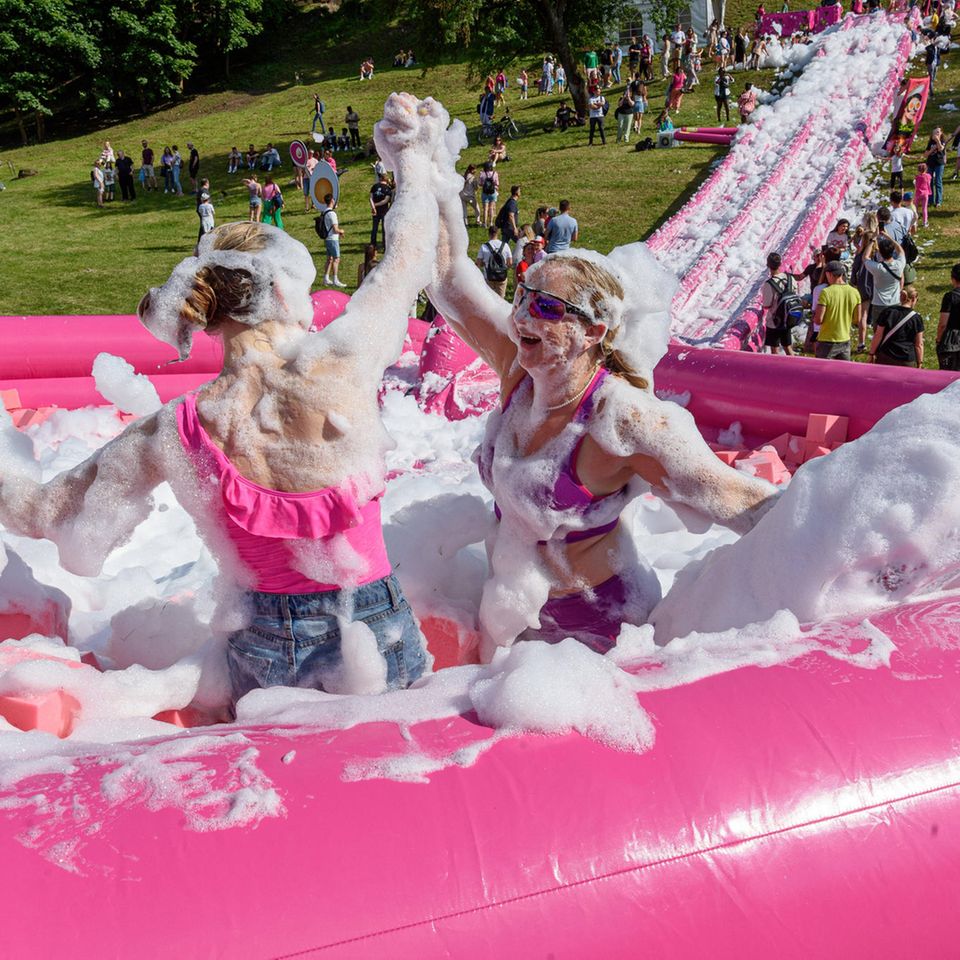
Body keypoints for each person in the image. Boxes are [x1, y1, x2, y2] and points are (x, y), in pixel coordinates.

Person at [0, 99, 450, 707]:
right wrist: (415, 156)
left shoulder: (179, 426)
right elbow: (409, 255)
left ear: (210, 315)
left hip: (257, 644)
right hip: (372, 635)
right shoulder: (345, 363)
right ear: (287, 290)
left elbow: (46, 513)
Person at [423, 152, 777, 657]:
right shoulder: (517, 369)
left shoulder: (626, 419)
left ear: (593, 331)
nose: (521, 316)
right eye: (522, 295)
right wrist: (421, 166)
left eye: (545, 308)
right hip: (511, 605)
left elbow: (742, 502)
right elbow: (447, 281)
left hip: (599, 623)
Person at [861, 234, 906, 348]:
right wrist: (888, 236)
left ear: (880, 252)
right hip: (895, 303)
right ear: (892, 252)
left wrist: (872, 240)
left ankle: (878, 350)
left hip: (879, 304)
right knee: (893, 329)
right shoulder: (899, 265)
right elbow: (900, 251)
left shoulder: (877, 268)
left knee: (878, 331)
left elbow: (865, 257)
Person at [813, 260, 861, 360]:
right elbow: (857, 319)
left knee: (822, 373)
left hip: (826, 340)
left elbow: (818, 320)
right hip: (845, 339)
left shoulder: (826, 292)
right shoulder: (854, 292)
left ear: (829, 274)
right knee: (843, 373)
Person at [868, 285, 923, 367]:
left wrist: (871, 353)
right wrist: (919, 362)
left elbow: (878, 335)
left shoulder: (888, 312)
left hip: (886, 356)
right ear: (914, 299)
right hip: (906, 360)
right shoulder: (916, 318)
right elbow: (919, 344)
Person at [761, 252, 799, 355]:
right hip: (788, 318)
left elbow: (766, 305)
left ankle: (776, 369)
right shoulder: (790, 278)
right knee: (787, 347)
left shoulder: (769, 284)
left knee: (775, 349)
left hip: (774, 321)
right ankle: (793, 367)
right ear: (780, 264)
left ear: (768, 265)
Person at [477, 225, 513, 298]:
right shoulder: (505, 245)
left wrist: (485, 263)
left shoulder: (484, 246)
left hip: (488, 276)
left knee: (489, 298)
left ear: (489, 234)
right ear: (498, 233)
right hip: (501, 276)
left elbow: (478, 263)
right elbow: (510, 263)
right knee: (501, 299)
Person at [937, 263, 960, 370]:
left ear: (953, 278)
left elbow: (943, 324)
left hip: (952, 342)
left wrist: (939, 339)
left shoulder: (950, 297)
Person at [319, 192, 346, 287]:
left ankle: (326, 278)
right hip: (333, 239)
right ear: (332, 201)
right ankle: (335, 280)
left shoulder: (324, 212)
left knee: (329, 259)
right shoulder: (332, 214)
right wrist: (341, 231)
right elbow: (335, 229)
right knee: (336, 259)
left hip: (327, 238)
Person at [923, 127, 946, 208]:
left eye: (938, 132)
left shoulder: (942, 141)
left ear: (941, 133)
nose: (936, 134)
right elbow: (925, 155)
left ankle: (938, 201)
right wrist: (931, 150)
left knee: (938, 182)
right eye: (935, 132)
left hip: (939, 164)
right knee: (929, 182)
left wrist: (937, 141)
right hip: (930, 164)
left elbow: (941, 149)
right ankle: (930, 200)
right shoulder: (930, 142)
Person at [370, 172, 393, 249]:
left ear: (380, 179)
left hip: (375, 211)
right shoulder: (388, 189)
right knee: (384, 229)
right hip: (384, 211)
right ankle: (385, 245)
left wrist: (373, 206)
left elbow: (370, 198)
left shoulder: (374, 186)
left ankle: (373, 244)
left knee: (374, 228)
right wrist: (376, 205)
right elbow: (386, 201)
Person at [479, 161, 499, 228]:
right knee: (491, 208)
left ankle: (484, 223)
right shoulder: (495, 173)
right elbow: (497, 184)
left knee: (485, 209)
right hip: (493, 192)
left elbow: (480, 184)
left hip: (485, 193)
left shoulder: (482, 174)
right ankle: (491, 223)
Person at [915, 163, 933, 227]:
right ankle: (925, 222)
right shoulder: (928, 176)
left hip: (918, 194)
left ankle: (915, 222)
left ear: (918, 170)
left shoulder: (917, 177)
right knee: (924, 208)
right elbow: (929, 182)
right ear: (926, 169)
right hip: (926, 194)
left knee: (915, 208)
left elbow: (916, 185)